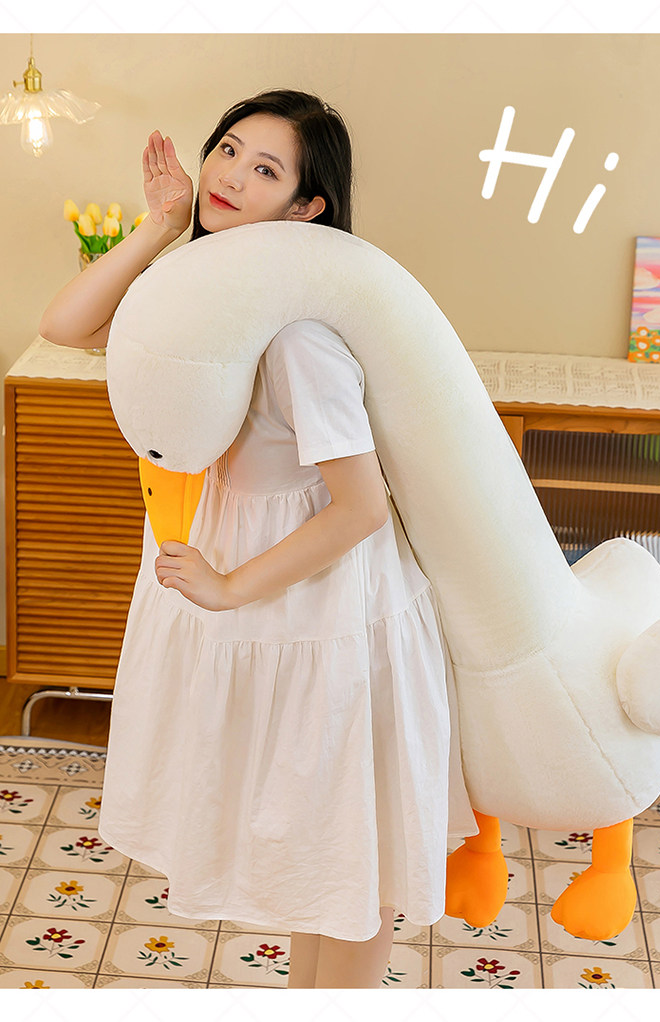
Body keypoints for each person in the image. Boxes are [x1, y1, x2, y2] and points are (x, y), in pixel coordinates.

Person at [39, 89, 476, 989]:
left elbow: (361, 509)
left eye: (266, 169)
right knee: (314, 870)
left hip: (323, 612)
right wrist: (161, 224)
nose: (231, 175)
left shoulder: (299, 337)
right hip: (256, 602)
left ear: (307, 207)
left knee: (349, 866)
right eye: (229, 149)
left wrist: (232, 588)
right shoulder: (203, 302)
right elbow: (66, 326)